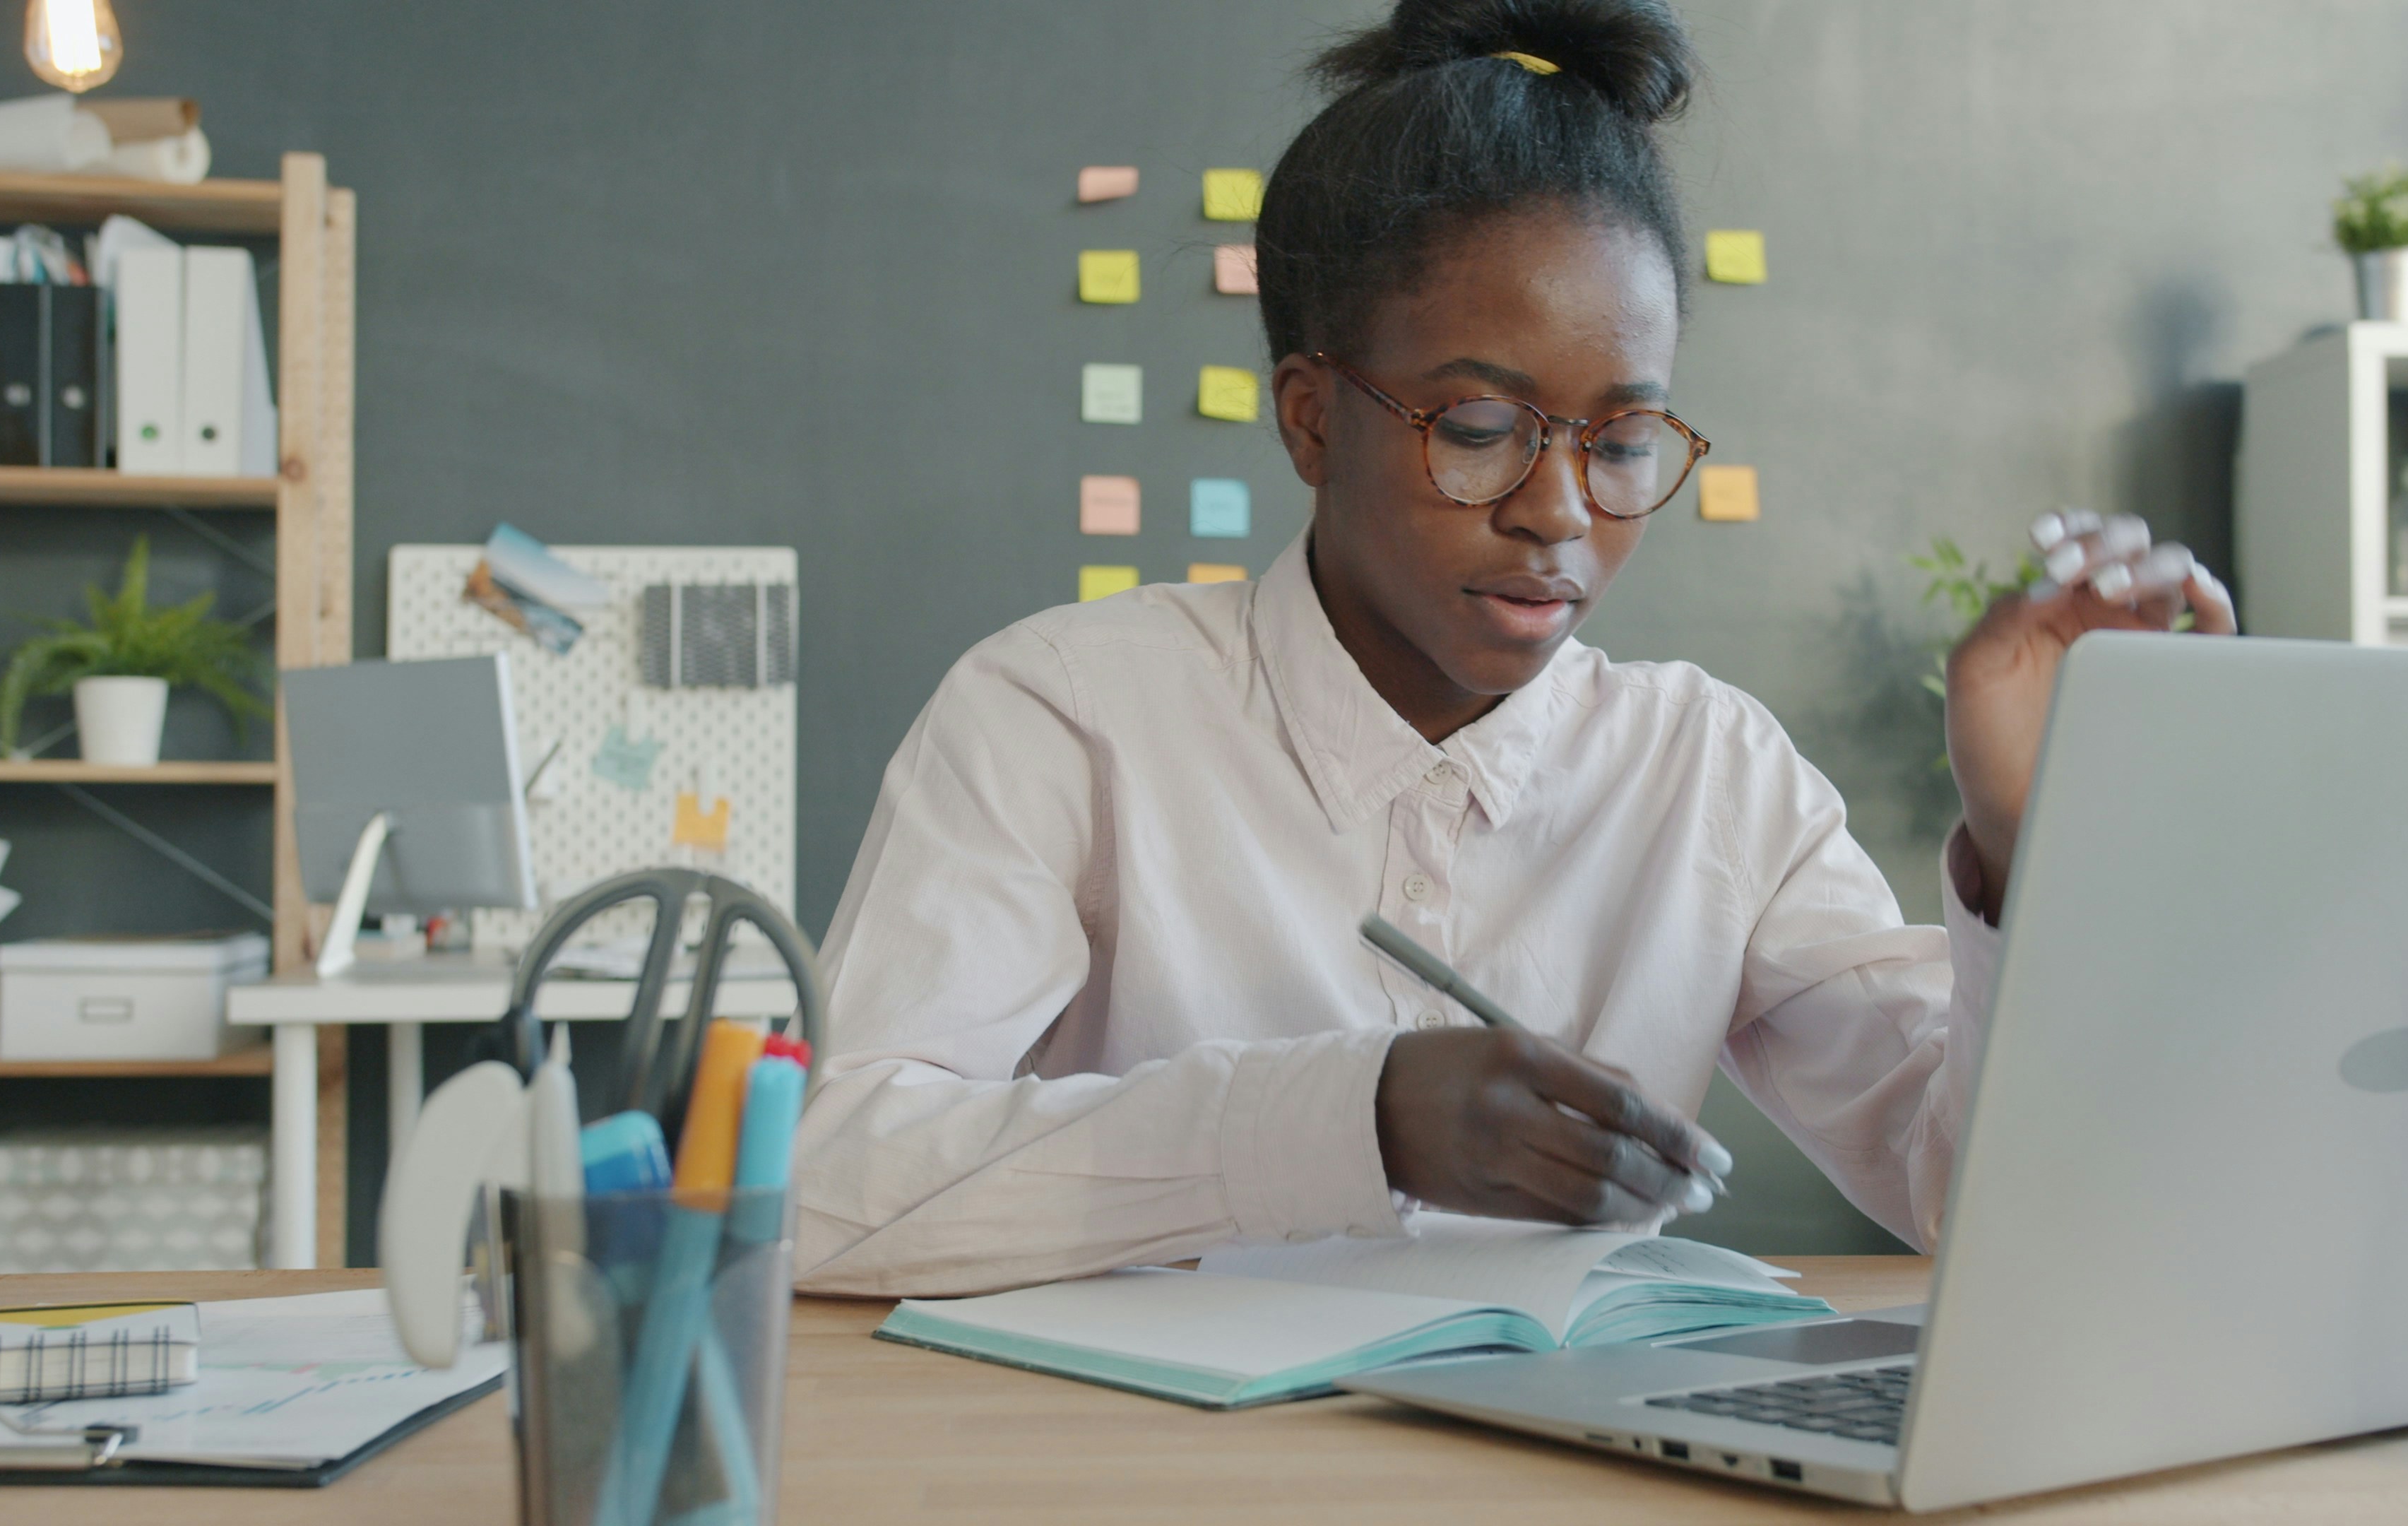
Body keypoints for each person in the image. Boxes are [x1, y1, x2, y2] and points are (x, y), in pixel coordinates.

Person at [790, 0, 2233, 1297]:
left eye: (1623, 443)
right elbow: (826, 1187)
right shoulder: (1066, 715)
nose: (1559, 511)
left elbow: (1982, 1200)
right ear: (1308, 417)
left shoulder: (1707, 772)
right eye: (1479, 429)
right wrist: (1355, 1120)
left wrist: (2033, 843)